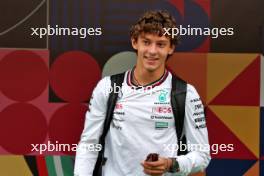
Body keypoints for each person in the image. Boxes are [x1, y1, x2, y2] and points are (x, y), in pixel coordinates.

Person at [74, 10, 211, 176]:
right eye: (146, 42)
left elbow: (202, 155)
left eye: (160, 44)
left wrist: (171, 164)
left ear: (171, 48)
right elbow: (89, 144)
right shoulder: (107, 87)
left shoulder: (186, 93)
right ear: (134, 42)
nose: (152, 51)